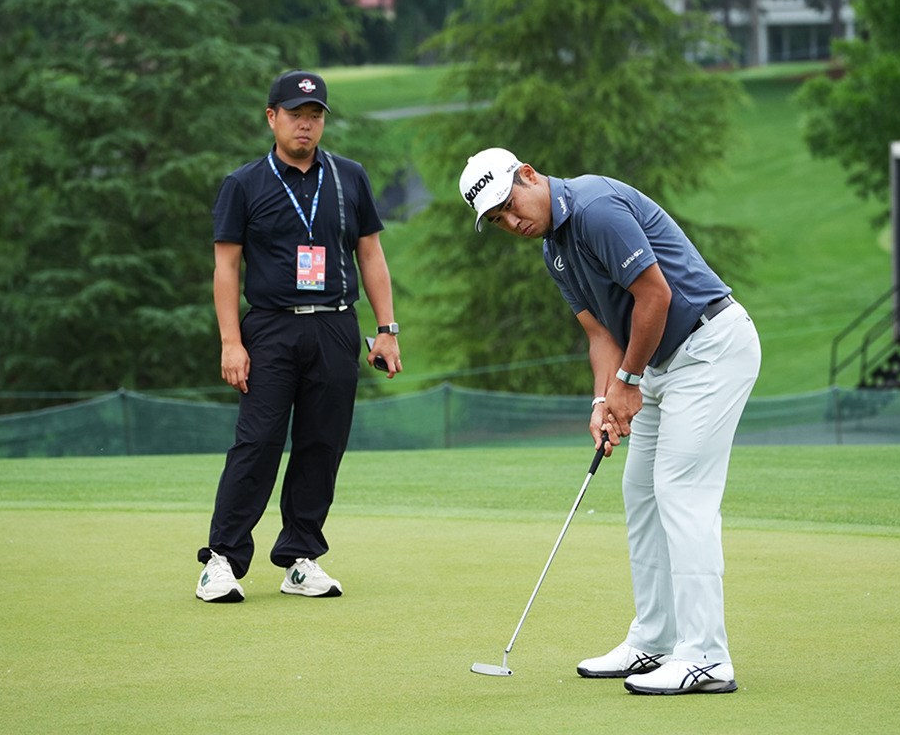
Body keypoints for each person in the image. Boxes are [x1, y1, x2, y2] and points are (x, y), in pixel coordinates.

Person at [458, 148, 760, 695]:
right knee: (640, 491)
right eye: (498, 220)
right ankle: (654, 641)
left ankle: (708, 656)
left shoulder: (595, 206)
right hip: (662, 363)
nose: (512, 222)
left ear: (528, 175)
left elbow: (655, 294)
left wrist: (627, 383)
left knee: (679, 490)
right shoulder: (554, 249)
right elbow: (601, 334)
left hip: (711, 347)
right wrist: (602, 403)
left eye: (509, 204)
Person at [196, 70, 402, 603]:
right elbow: (226, 269)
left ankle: (299, 558)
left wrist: (386, 330)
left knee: (321, 443)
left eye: (314, 117)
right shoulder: (243, 184)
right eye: (295, 115)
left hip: (335, 324)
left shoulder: (349, 177)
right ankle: (222, 559)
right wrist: (230, 341)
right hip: (269, 327)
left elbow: (371, 255)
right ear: (272, 118)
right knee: (258, 441)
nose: (306, 126)